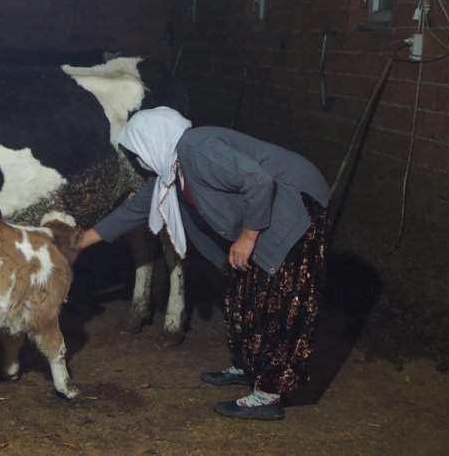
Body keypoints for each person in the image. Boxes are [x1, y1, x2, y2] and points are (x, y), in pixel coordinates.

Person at [78, 106, 331, 421]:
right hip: (268, 208)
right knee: (242, 288)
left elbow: (259, 179)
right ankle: (248, 366)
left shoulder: (196, 147)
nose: (137, 160)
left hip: (294, 202)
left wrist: (248, 237)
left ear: (153, 140)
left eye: (136, 151)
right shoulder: (170, 174)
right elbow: (131, 213)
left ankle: (268, 395)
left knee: (278, 297)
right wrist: (76, 243)